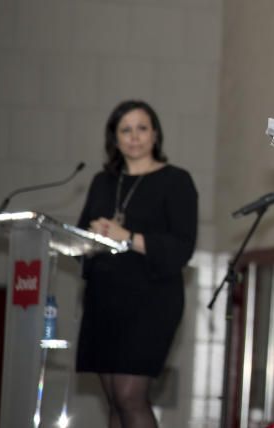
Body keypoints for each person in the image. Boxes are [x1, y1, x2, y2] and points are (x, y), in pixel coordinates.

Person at [76, 100, 198, 428]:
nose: (134, 137)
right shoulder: (103, 182)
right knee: (115, 401)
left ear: (155, 134)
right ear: (114, 140)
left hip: (151, 301)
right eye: (125, 130)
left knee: (130, 396)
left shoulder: (176, 181)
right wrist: (89, 239)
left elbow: (182, 247)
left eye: (142, 128)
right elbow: (83, 234)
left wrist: (127, 237)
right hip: (105, 299)